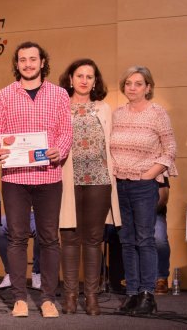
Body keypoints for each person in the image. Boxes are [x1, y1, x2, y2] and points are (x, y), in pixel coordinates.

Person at [0, 41, 72, 319]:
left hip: (49, 176)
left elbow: (66, 132)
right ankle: (19, 299)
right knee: (16, 238)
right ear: (17, 64)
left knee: (49, 238)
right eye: (22, 60)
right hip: (15, 177)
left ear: (42, 62)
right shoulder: (4, 95)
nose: (28, 64)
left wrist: (60, 150)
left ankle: (48, 298)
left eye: (33, 59)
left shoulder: (59, 94)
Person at [111, 66, 177, 315]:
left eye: (138, 83)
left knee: (145, 240)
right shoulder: (117, 114)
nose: (132, 88)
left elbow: (170, 149)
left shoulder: (157, 113)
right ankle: (132, 293)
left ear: (148, 87)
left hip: (143, 185)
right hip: (119, 185)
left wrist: (150, 174)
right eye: (128, 83)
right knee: (126, 241)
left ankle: (148, 295)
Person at [58, 59, 121, 315]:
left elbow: (112, 143)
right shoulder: (60, 106)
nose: (84, 80)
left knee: (93, 240)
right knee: (69, 238)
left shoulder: (104, 108)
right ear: (70, 79)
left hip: (99, 180)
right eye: (80, 75)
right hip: (67, 179)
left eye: (89, 76)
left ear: (95, 81)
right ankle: (70, 295)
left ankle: (92, 297)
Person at [0, 211, 41, 290]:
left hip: (37, 214)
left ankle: (37, 272)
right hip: (15, 212)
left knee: (42, 231)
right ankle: (11, 272)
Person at [154, 179, 171, 295]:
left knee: (160, 239)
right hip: (131, 211)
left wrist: (146, 213)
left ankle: (161, 277)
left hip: (155, 211)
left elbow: (164, 197)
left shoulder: (159, 170)